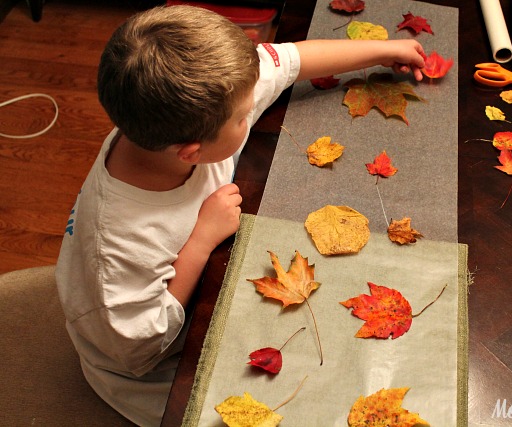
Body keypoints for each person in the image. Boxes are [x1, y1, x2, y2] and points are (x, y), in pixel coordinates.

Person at [55, 5, 425, 426]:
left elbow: (288, 61)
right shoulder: (117, 246)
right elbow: (140, 344)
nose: (251, 111)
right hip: (149, 372)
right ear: (191, 153)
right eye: (242, 116)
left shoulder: (192, 112)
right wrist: (199, 242)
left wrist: (382, 51)